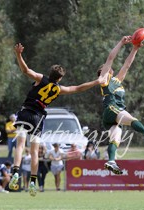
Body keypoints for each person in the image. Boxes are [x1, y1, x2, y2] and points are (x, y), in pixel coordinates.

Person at [9, 43, 105, 196]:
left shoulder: (41, 79)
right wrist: (97, 81)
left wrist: (18, 54)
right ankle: (33, 182)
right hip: (38, 118)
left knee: (20, 145)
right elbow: (78, 88)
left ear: (50, 73)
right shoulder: (59, 89)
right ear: (59, 78)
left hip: (26, 113)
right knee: (34, 152)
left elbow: (25, 70)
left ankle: (15, 172)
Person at [98, 36, 144, 174]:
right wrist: (121, 43)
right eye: (107, 68)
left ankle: (111, 161)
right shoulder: (104, 79)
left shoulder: (117, 81)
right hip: (112, 108)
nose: (111, 68)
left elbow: (127, 65)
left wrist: (135, 49)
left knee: (115, 139)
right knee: (131, 118)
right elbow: (110, 58)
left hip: (111, 115)